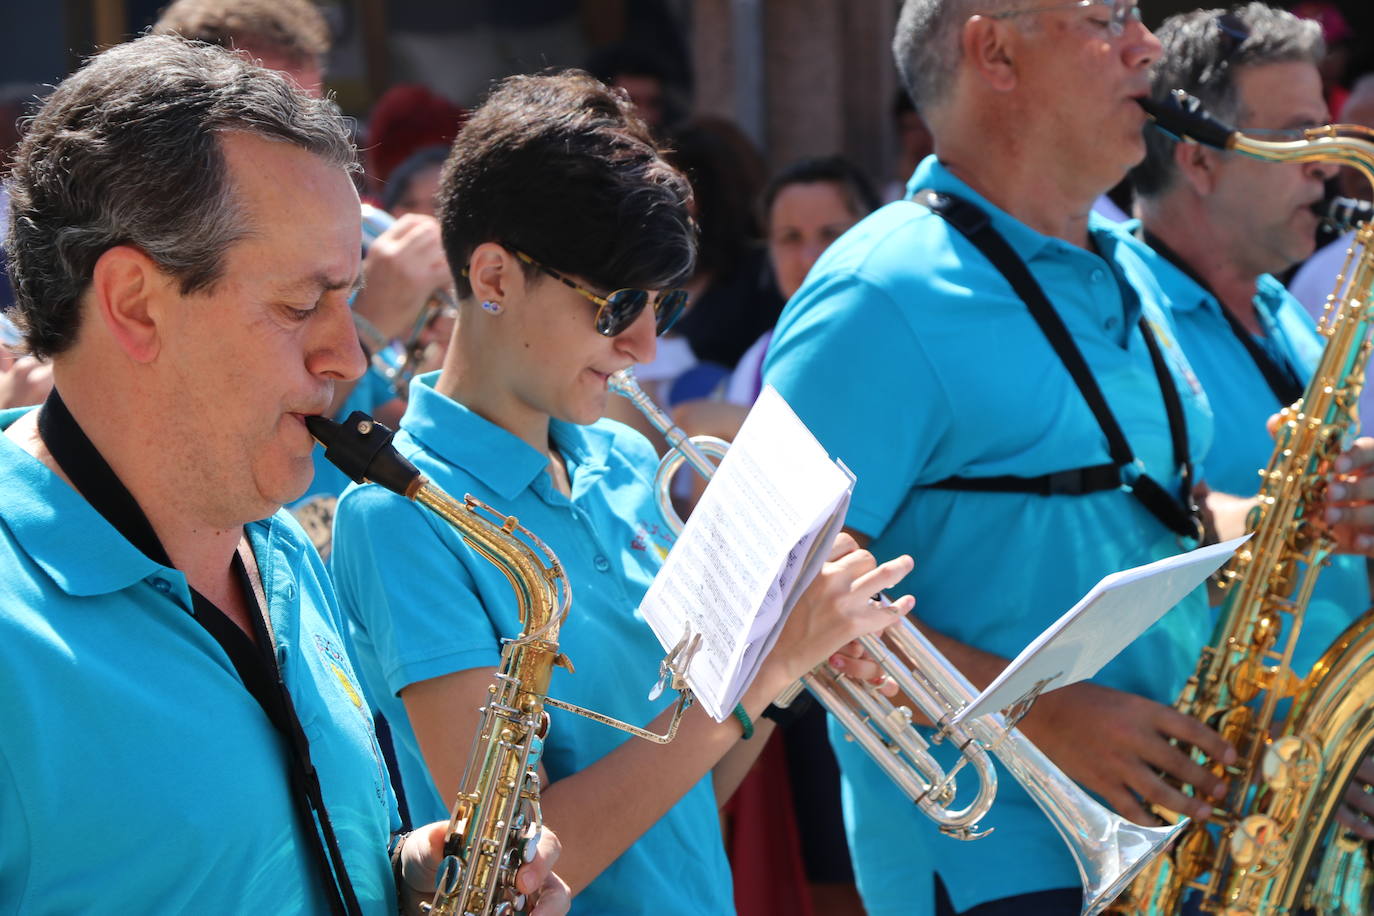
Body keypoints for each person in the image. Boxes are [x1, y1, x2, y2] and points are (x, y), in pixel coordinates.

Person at [328, 70, 917, 916]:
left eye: (664, 307)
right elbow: (510, 865)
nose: (643, 345)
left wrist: (784, 661)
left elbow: (684, 801)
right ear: (493, 279)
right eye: (616, 306)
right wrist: (764, 673)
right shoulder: (396, 515)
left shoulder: (625, 460)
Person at [0, 34, 566, 914]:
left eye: (350, 298)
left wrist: (411, 875)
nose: (349, 356)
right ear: (135, 304)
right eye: (302, 305)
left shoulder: (278, 546)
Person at [765, 2, 1231, 913]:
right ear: (995, 53)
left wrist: (1304, 509)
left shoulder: (1131, 265)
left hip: (1178, 843)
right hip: (995, 864)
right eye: (1108, 18)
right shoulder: (874, 292)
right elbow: (780, 595)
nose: (1148, 46)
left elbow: (1146, 505)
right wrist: (1041, 714)